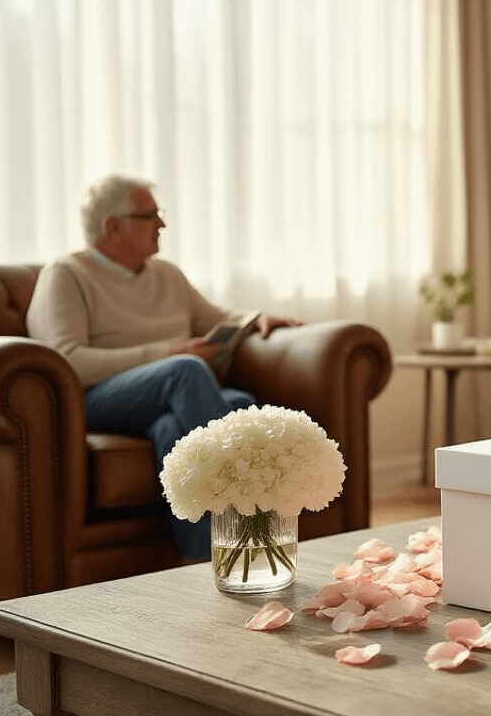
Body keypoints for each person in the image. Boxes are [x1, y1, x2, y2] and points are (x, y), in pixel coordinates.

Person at [26, 175, 301, 559]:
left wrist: (256, 318)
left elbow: (214, 317)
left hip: (164, 400)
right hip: (97, 400)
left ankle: (202, 557)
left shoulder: (167, 274)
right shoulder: (67, 274)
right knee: (185, 371)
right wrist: (168, 352)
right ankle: (249, 513)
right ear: (112, 226)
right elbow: (67, 359)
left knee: (219, 408)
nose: (162, 224)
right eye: (150, 215)